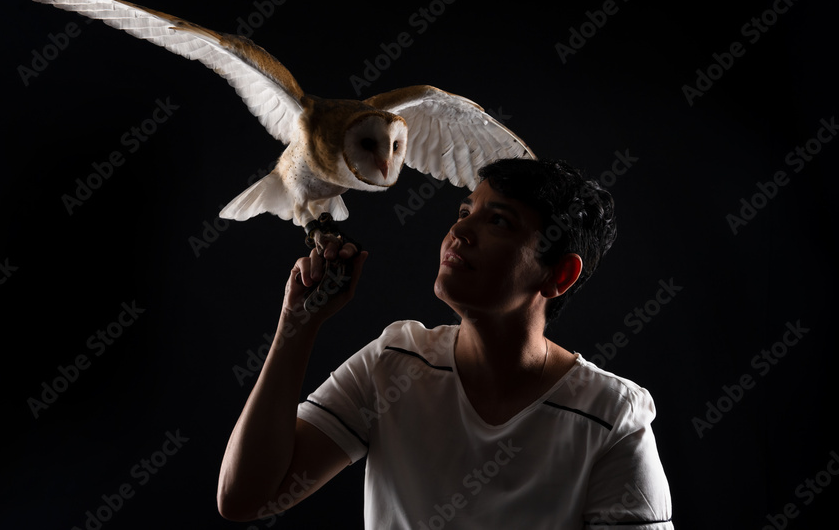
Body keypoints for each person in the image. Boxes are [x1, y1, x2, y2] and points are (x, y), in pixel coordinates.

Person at [217, 158, 673, 529]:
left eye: (498, 221)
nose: (461, 232)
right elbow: (247, 498)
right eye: (463, 212)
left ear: (559, 275)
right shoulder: (394, 360)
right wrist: (297, 324)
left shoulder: (612, 418)